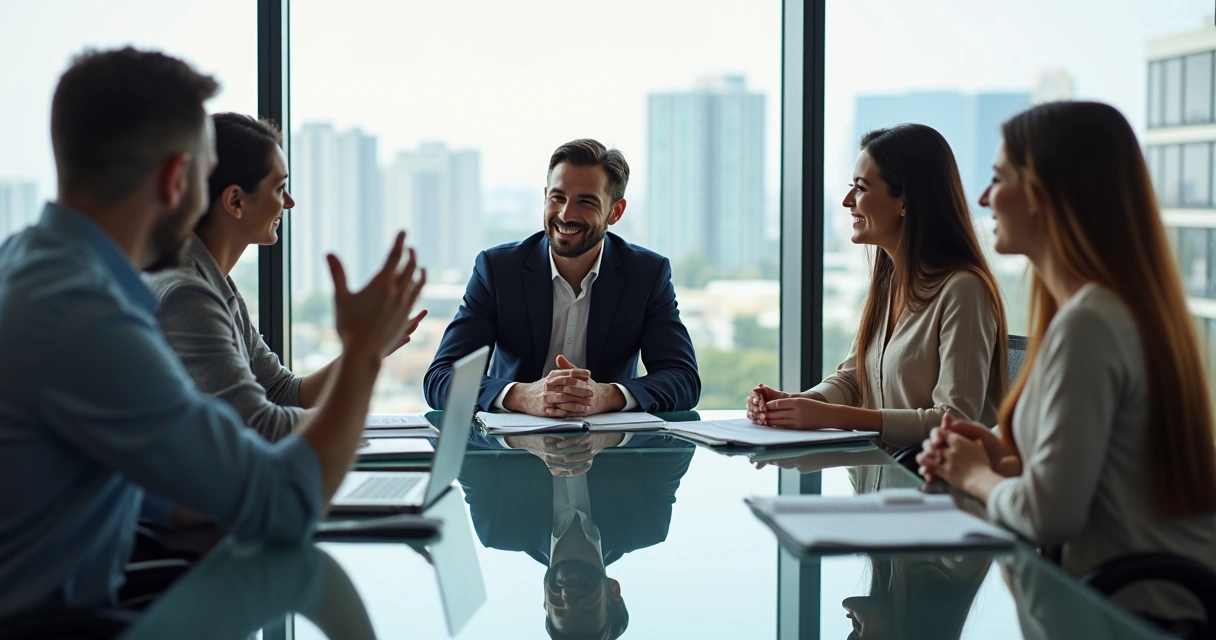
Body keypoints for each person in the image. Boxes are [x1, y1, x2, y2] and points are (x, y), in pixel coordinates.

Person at [0, 47, 424, 617]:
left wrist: (176, 490)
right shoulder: (87, 316)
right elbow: (285, 501)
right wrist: (364, 356)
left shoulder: (26, 263)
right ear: (179, 179)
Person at [917, 101, 1216, 622]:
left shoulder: (1090, 324)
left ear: (1042, 194)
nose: (985, 199)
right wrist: (1008, 462)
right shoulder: (1106, 312)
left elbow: (1047, 515)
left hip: (1134, 618)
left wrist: (973, 477)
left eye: (997, 178)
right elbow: (1112, 478)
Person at [145, 113, 426, 441]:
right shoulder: (187, 296)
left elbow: (281, 392)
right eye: (279, 188)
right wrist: (361, 355)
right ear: (235, 201)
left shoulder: (216, 284)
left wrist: (368, 350)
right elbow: (260, 426)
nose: (289, 203)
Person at [747, 124, 1008, 450]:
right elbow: (854, 379)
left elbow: (955, 420)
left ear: (905, 201)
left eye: (860, 188)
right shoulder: (890, 282)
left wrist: (832, 416)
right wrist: (796, 404)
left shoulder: (963, 290)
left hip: (926, 489)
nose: (846, 201)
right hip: (877, 478)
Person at [423, 139, 700, 421]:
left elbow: (684, 380)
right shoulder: (497, 270)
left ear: (615, 212)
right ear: (545, 197)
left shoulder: (646, 274)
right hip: (510, 452)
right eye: (557, 198)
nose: (566, 214)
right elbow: (440, 379)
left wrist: (605, 396)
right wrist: (523, 396)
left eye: (586, 202)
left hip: (612, 451)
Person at [458, 439, 694, 639]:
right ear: (614, 590)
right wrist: (612, 437)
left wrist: (520, 439)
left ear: (544, 602)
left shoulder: (500, 529)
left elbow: (450, 439)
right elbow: (683, 433)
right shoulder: (646, 524)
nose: (568, 599)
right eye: (587, 610)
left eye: (558, 609)